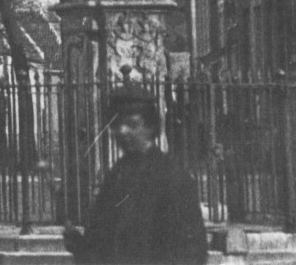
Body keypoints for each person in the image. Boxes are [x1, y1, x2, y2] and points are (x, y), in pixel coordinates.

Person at [64, 84, 208, 264]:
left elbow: (191, 251)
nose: (122, 131)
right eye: (116, 124)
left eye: (132, 124)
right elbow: (102, 243)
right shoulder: (117, 174)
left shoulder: (172, 176)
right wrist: (79, 244)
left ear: (151, 127)